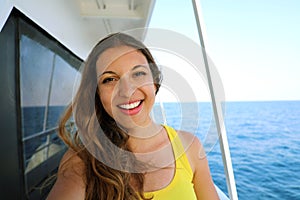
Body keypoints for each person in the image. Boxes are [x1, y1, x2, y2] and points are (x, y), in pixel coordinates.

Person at [47, 32, 219, 200]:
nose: (127, 91)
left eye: (138, 74)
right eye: (109, 79)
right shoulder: (82, 161)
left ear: (154, 82)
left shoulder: (190, 147)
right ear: (96, 94)